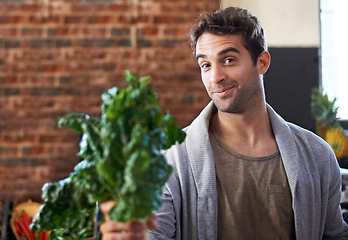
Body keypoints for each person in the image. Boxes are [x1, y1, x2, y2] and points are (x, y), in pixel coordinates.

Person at [100, 6, 348, 240]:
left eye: (228, 60)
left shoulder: (317, 155)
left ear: (262, 62)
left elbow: (334, 236)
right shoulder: (170, 161)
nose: (215, 77)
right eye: (205, 65)